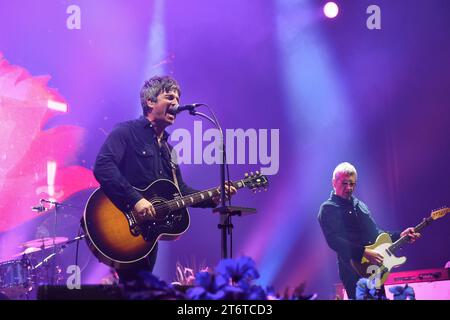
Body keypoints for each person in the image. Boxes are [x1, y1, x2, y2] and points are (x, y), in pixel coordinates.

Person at [93, 75, 236, 283]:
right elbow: (103, 167)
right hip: (123, 228)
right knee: (133, 290)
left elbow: (181, 191)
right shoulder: (126, 132)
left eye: (178, 99)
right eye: (169, 97)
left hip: (148, 238)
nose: (176, 103)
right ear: (150, 102)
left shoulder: (169, 151)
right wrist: (136, 199)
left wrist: (214, 196)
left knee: (141, 291)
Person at [317, 162, 420, 299]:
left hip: (374, 269)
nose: (349, 188)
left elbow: (376, 233)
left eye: (352, 184)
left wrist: (400, 235)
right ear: (333, 183)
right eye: (344, 183)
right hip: (352, 270)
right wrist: (363, 252)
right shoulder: (328, 208)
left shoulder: (360, 205)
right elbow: (334, 240)